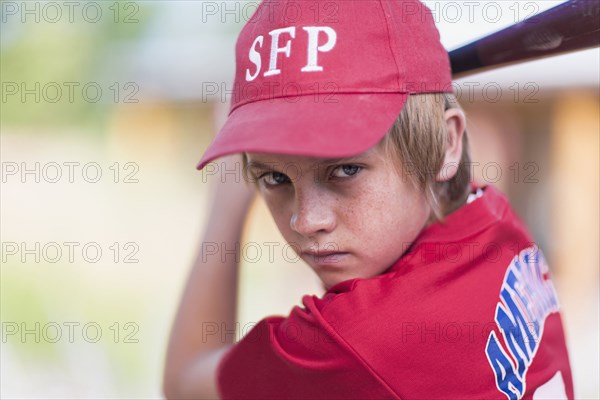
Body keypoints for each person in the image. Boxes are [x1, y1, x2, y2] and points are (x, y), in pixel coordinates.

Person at [163, 1, 574, 398]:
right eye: (274, 177)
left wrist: (228, 197)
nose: (306, 221)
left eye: (344, 170)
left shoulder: (351, 343)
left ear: (446, 145)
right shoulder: (492, 216)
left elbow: (184, 381)